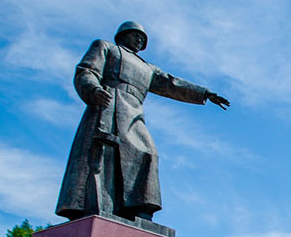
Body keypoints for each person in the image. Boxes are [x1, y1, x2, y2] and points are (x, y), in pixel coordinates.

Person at [57, 21, 229, 224]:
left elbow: (172, 83)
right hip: (108, 104)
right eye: (135, 35)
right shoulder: (106, 47)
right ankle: (91, 206)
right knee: (103, 157)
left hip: (133, 113)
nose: (139, 40)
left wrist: (204, 93)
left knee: (148, 153)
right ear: (123, 35)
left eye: (142, 38)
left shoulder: (148, 68)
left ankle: (138, 206)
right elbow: (86, 71)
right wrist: (93, 89)